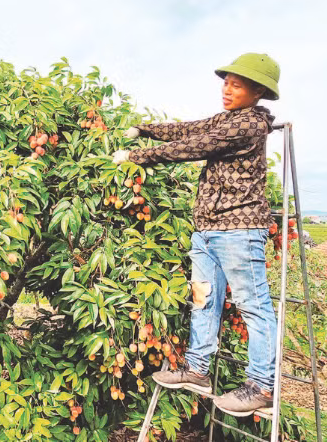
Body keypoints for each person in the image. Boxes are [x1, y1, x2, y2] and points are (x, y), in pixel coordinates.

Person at [113, 53, 281, 417]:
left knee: (254, 307)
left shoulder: (249, 125)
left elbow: (195, 147)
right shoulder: (227, 119)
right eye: (226, 82)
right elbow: (190, 130)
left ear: (257, 92)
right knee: (203, 300)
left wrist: (136, 155)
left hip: (238, 229)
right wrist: (145, 128)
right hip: (207, 231)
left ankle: (262, 386)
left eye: (237, 85)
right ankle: (197, 369)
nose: (227, 89)